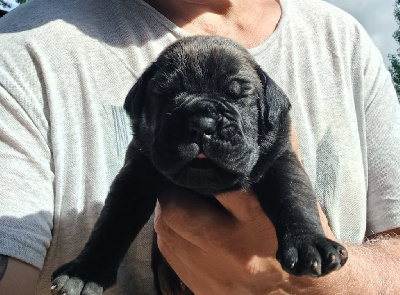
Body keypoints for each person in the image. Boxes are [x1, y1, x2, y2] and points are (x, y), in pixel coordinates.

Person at [0, 0, 399, 294]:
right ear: (139, 107)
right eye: (169, 97)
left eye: (237, 95)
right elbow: (126, 204)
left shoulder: (344, 42)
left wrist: (316, 272)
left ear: (269, 109)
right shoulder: (18, 52)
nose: (203, 125)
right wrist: (94, 263)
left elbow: (285, 175)